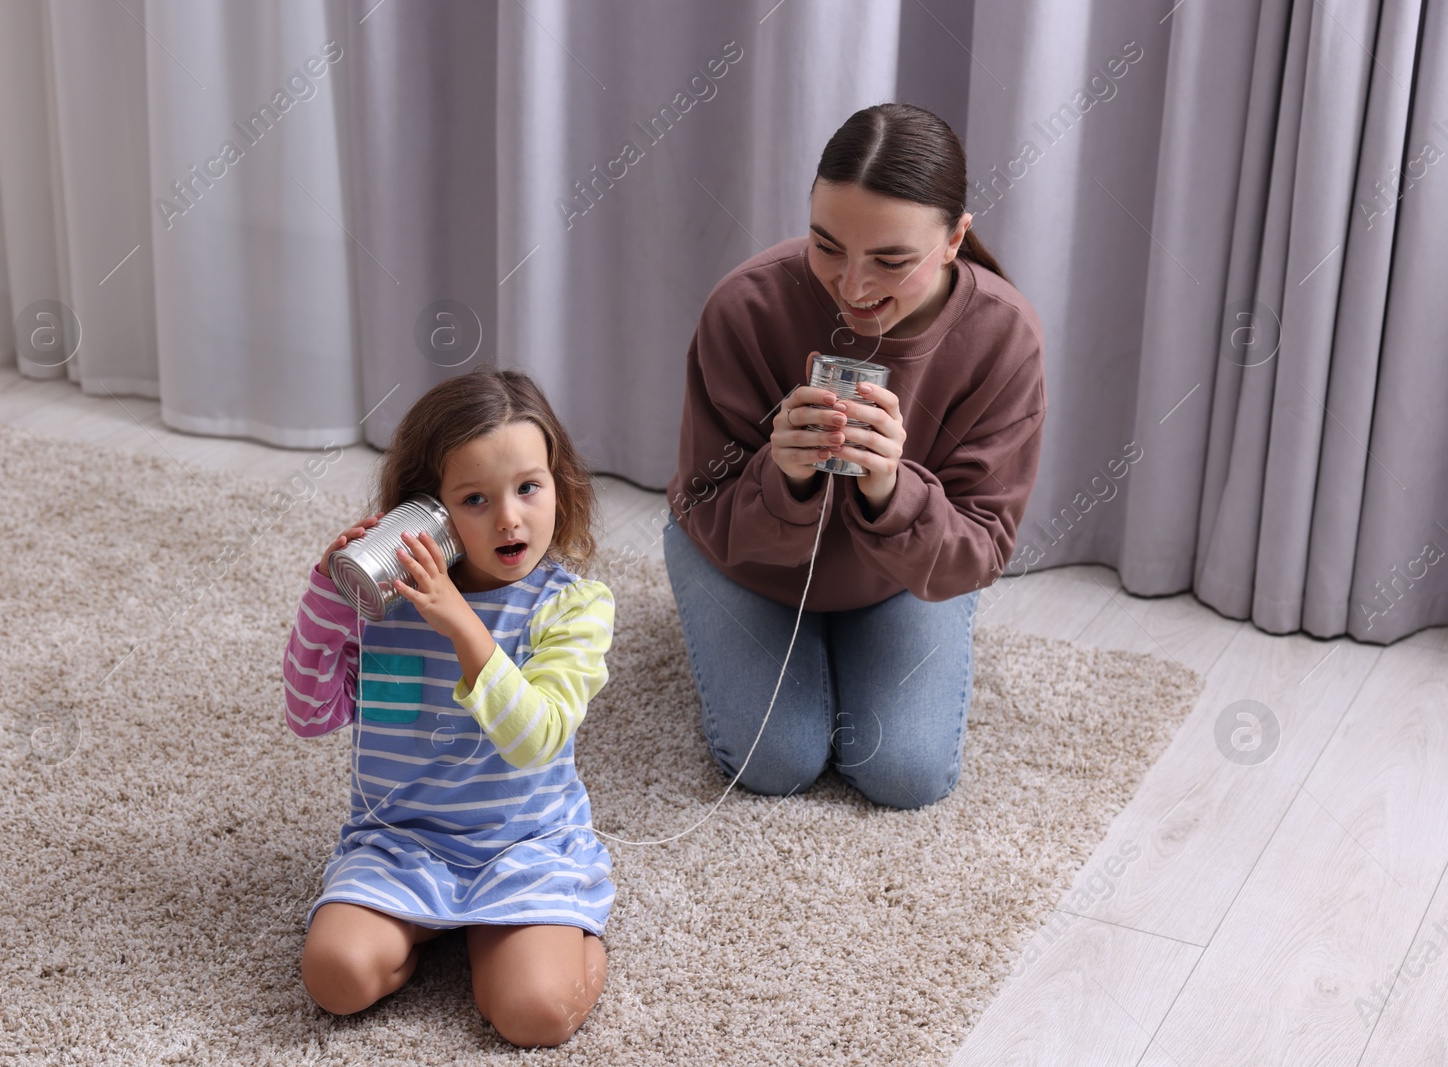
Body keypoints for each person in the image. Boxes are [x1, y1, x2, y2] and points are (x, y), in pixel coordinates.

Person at [663, 102, 1047, 811]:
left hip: (898, 577)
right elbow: (700, 502)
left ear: (955, 238)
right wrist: (782, 477)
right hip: (742, 558)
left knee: (905, 772)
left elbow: (980, 550)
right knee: (778, 761)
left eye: (892, 260)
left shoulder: (1003, 335)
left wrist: (891, 492)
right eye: (827, 245)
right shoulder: (746, 307)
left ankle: (846, 637)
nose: (854, 285)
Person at [283, 367, 615, 1047]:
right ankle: (432, 928)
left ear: (560, 483)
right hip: (402, 842)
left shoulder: (572, 606)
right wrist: (326, 594)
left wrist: (464, 625)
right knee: (334, 977)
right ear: (426, 513)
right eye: (474, 497)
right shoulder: (391, 597)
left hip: (524, 848)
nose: (509, 517)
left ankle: (560, 931)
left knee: (535, 1013)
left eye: (529, 487)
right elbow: (310, 714)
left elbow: (536, 738)